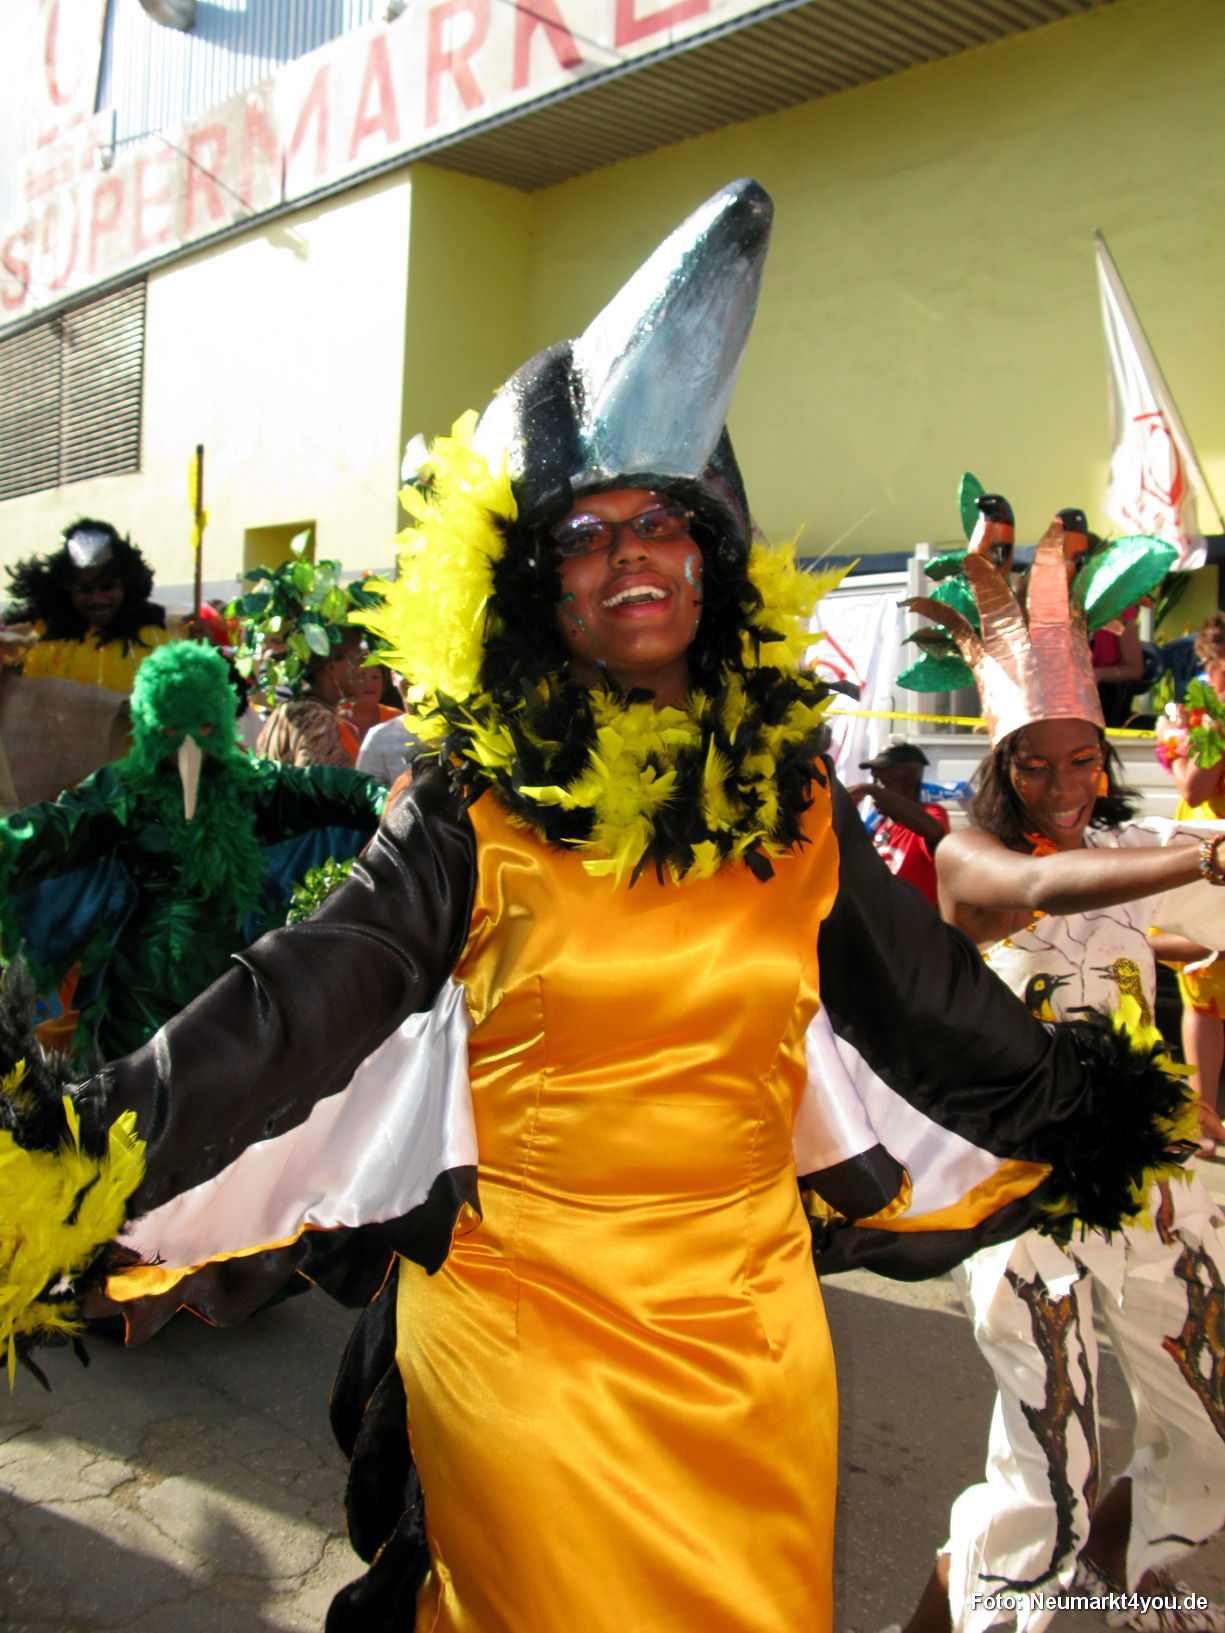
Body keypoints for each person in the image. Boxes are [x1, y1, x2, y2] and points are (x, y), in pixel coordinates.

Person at [0, 183, 1196, 1633]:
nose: (631, 552)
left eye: (662, 520)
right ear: (531, 586)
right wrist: (71, 1153)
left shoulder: (794, 805)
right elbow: (300, 997)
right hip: (529, 1350)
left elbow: (931, 1013)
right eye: (583, 531)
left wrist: (1102, 1109)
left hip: (755, 1345)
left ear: (714, 555)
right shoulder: (472, 809)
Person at [888, 525, 1225, 1633]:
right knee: (1047, 1469)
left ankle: (1134, 1572)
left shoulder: (1135, 855)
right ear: (1000, 766)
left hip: (1144, 1181)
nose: (1064, 784)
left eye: (1083, 760)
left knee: (1209, 1421)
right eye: (1034, 764)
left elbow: (1182, 904)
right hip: (1019, 1192)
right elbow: (1048, 887)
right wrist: (1201, 853)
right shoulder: (967, 859)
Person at [0, 641, 385, 1063]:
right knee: (142, 1078)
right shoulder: (124, 790)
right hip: (146, 980)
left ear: (218, 721)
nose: (188, 747)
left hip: (230, 971)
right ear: (149, 725)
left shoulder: (253, 785)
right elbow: (57, 827)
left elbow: (334, 791)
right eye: (171, 731)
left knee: (225, 1071)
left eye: (201, 728)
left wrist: (392, 801)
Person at [1156, 612, 1225, 1150]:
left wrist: (1172, 744)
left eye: (1209, 665)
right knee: (1205, 986)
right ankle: (1205, 1116)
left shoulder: (1212, 716)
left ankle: (1205, 1117)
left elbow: (1195, 786)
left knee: (1204, 987)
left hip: (1213, 849)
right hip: (1211, 849)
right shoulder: (1208, 713)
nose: (1205, 674)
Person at [6, 519, 171, 691]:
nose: (97, 599)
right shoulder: (29, 640)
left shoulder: (161, 634)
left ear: (126, 583)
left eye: (107, 586)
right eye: (84, 589)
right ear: (66, 588)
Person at [847, 742, 949, 906]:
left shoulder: (931, 813)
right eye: (874, 781)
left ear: (907, 783)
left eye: (883, 782)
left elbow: (933, 831)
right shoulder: (880, 824)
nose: (876, 789)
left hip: (914, 920)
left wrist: (871, 789)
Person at [255, 628, 365, 768]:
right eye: (356, 658)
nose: (364, 668)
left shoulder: (287, 709)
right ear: (331, 668)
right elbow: (316, 779)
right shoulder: (318, 719)